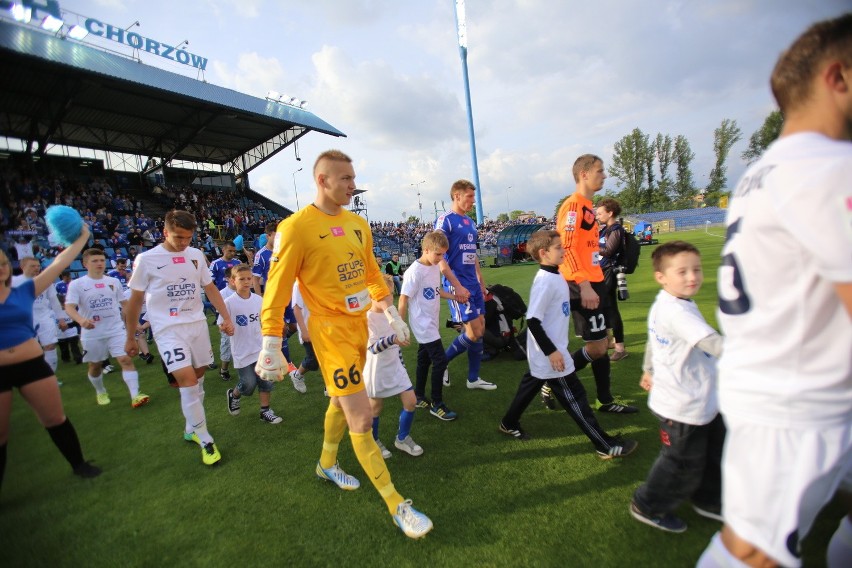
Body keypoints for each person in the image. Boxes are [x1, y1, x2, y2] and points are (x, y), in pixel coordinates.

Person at [698, 15, 852, 568]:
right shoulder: (831, 167)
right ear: (838, 77)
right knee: (753, 555)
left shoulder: (761, 172)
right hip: (798, 402)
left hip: (777, 384)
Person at [257, 149, 432, 539]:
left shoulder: (357, 224)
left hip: (361, 328)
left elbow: (371, 273)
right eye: (346, 179)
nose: (353, 186)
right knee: (361, 416)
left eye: (354, 179)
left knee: (339, 399)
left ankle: (326, 463)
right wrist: (270, 341)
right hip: (329, 331)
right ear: (322, 180)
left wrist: (391, 314)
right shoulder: (296, 227)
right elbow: (278, 286)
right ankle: (396, 504)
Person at [497, 231, 638, 459]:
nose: (564, 250)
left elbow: (559, 303)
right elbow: (533, 320)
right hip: (551, 354)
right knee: (576, 399)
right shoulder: (545, 281)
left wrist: (581, 302)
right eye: (558, 248)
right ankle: (604, 444)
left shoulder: (555, 275)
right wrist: (552, 352)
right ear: (544, 253)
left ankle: (508, 422)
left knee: (531, 384)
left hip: (546, 352)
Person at [123, 210, 235, 467]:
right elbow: (135, 301)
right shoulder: (146, 259)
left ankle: (190, 427)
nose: (184, 242)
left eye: (188, 237)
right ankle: (204, 437)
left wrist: (225, 317)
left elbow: (210, 288)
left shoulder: (196, 255)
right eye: (178, 237)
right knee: (186, 381)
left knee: (198, 379)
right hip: (167, 330)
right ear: (164, 233)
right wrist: (131, 336)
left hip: (196, 327)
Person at [629, 241, 724, 533]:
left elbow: (652, 340)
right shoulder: (677, 311)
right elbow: (714, 344)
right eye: (681, 272)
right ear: (661, 277)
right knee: (680, 462)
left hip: (700, 398)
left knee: (711, 453)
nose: (692, 277)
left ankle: (707, 499)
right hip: (682, 405)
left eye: (696, 270)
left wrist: (648, 368)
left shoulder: (671, 302)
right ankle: (647, 504)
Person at [0, 227, 100, 493]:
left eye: (2, 264)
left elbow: (60, 263)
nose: (1, 269)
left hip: (32, 365)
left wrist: (81, 238)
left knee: (55, 418)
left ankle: (79, 465)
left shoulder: (23, 291)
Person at [542, 155, 638, 414]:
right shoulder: (573, 206)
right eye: (599, 170)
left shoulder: (588, 206)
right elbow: (568, 247)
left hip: (595, 280)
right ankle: (552, 381)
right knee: (596, 346)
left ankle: (605, 401)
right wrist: (583, 284)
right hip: (580, 282)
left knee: (603, 342)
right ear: (584, 174)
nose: (604, 175)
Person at [65, 248, 150, 408]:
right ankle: (100, 391)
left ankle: (135, 395)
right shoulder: (77, 284)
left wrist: (134, 322)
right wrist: (81, 320)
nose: (99, 264)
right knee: (95, 366)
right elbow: (69, 307)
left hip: (115, 330)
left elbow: (124, 304)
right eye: (95, 261)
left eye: (102, 260)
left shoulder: (113, 282)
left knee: (125, 359)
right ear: (85, 263)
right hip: (92, 333)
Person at [435, 180, 496, 391]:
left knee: (480, 329)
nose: (473, 201)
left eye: (473, 196)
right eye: (469, 197)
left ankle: (473, 378)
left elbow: (473, 255)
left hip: (472, 283)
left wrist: (481, 281)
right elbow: (439, 255)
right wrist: (456, 285)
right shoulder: (446, 220)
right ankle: (441, 362)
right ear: (457, 196)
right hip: (458, 283)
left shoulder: (470, 223)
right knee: (473, 332)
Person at [398, 231, 457, 420]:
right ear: (426, 250)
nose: (441, 259)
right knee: (440, 361)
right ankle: (437, 404)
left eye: (443, 255)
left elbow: (435, 291)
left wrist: (456, 297)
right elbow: (403, 299)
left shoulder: (433, 266)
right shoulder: (414, 272)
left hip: (431, 321)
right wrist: (400, 326)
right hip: (423, 324)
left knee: (424, 359)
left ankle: (419, 396)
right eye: (438, 254)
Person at [364, 275, 423, 458]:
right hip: (376, 370)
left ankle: (402, 438)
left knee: (411, 401)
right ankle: (374, 441)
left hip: (395, 366)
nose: (389, 300)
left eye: (390, 295)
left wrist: (402, 366)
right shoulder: (367, 318)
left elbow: (396, 347)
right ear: (371, 297)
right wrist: (393, 339)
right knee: (375, 408)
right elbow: (373, 348)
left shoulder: (393, 313)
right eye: (384, 296)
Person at [223, 264, 282, 424]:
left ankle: (265, 411)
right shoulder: (229, 302)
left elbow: (264, 321)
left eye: (249, 278)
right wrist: (226, 328)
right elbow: (222, 324)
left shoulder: (258, 300)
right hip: (242, 350)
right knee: (248, 384)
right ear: (233, 281)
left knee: (266, 380)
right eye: (242, 279)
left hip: (260, 348)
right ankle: (234, 394)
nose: (247, 281)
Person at [252, 221, 297, 375]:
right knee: (282, 327)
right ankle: (288, 363)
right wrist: (259, 298)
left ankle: (275, 346)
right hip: (274, 297)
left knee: (293, 327)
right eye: (276, 236)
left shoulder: (284, 251)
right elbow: (255, 278)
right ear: (268, 236)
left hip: (290, 295)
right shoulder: (261, 255)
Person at [12, 257, 67, 377]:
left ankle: (49, 376)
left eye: (38, 266)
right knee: (30, 350)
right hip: (24, 321)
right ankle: (31, 377)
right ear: (23, 267)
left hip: (44, 317)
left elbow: (54, 301)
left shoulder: (46, 281)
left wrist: (61, 319)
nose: (37, 268)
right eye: (33, 266)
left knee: (50, 345)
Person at [596, 198, 628, 361]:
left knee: (611, 309)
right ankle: (609, 341)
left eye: (600, 213)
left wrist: (592, 246)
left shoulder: (616, 229)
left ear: (610, 213)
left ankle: (620, 348)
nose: (598, 215)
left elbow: (608, 251)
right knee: (603, 307)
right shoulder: (604, 230)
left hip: (610, 271)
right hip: (601, 271)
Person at [288, 281, 315, 394]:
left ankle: (330, 386)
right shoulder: (299, 284)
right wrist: (304, 331)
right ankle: (297, 375)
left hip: (325, 325)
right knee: (313, 360)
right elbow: (296, 308)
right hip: (308, 328)